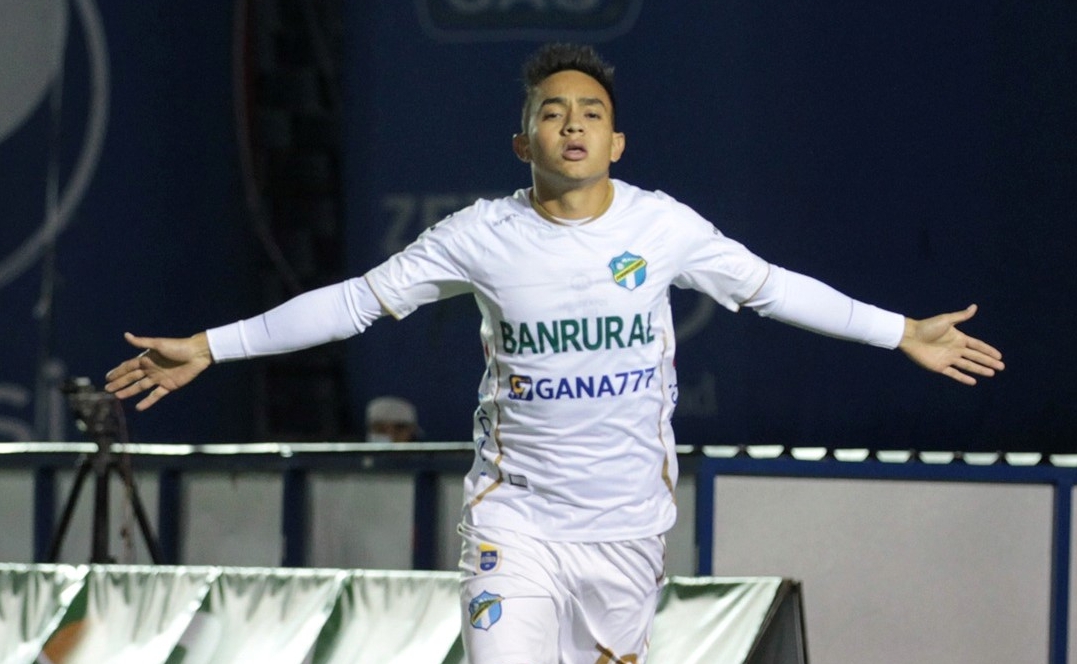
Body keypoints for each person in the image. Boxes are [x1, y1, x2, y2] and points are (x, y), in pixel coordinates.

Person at [104, 43, 1004, 664]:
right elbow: (353, 303)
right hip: (514, 523)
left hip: (626, 531)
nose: (572, 125)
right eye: (551, 113)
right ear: (521, 141)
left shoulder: (662, 228)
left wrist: (900, 330)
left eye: (591, 114)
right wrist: (211, 347)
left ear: (616, 142)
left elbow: (771, 287)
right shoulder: (478, 235)